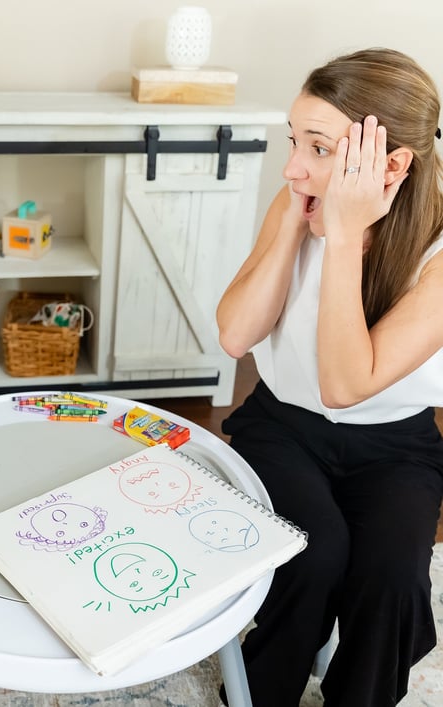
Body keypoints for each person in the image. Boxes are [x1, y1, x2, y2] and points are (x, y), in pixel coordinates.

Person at [216, 48, 443, 707]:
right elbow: (235, 334)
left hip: (396, 444)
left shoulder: (435, 253)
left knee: (394, 576)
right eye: (295, 141)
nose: (292, 167)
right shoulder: (299, 205)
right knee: (314, 553)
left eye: (318, 147)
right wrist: (297, 216)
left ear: (392, 164)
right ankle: (257, 693)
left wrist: (344, 238)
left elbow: (349, 383)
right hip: (283, 425)